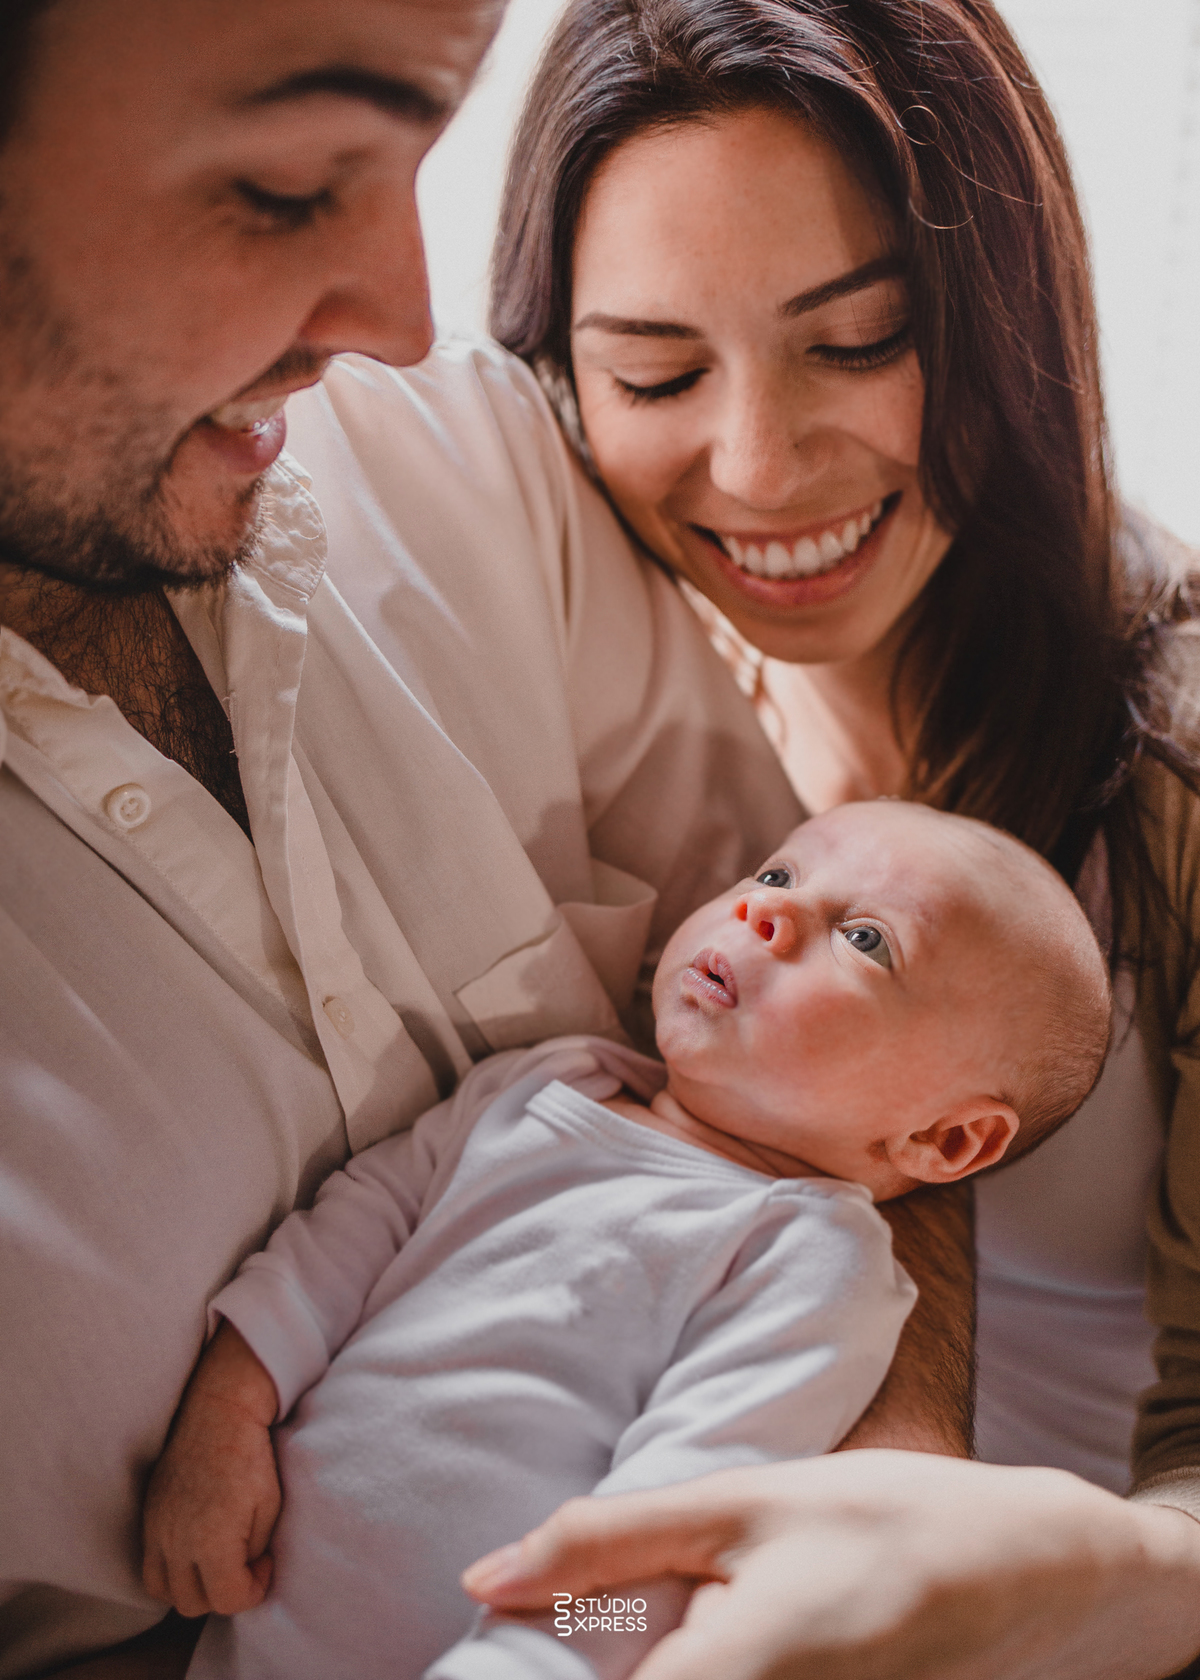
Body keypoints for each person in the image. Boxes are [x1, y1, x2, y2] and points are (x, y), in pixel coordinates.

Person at [0, 2, 823, 1676]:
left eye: (417, 165)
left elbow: (871, 1083)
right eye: (290, 186)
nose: (399, 316)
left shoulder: (468, 459)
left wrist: (854, 1561)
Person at [473, 0, 1200, 1674]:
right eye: (656, 370)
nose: (758, 467)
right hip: (578, 1591)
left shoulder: (1166, 771)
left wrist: (1022, 1571)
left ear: (1007, 317)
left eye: (857, 342)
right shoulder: (615, 686)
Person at [141, 801, 1109, 1680]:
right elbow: (352, 1233)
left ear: (944, 1138)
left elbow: (675, 1519)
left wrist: (532, 1653)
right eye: (777, 875)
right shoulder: (541, 1084)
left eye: (865, 940)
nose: (767, 915)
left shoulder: (808, 1257)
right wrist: (231, 1408)